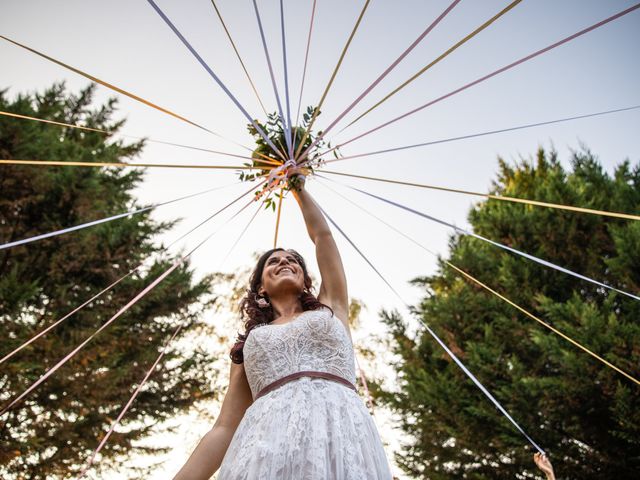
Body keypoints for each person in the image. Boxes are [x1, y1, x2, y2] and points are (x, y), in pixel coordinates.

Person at [173, 170, 392, 479]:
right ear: (260, 286)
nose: (285, 262)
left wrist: (297, 186)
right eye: (273, 261)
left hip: (341, 432)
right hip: (267, 445)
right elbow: (224, 428)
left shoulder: (333, 306)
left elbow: (323, 238)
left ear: (305, 279)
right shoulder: (248, 344)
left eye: (293, 261)